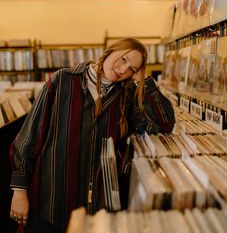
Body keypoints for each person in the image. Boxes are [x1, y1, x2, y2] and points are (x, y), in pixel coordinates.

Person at [9, 38, 175, 233]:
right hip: (51, 199)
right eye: (123, 59)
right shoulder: (62, 80)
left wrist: (143, 80)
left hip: (95, 205)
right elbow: (30, 135)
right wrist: (19, 190)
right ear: (110, 51)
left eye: (132, 69)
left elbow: (165, 125)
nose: (123, 70)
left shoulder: (127, 95)